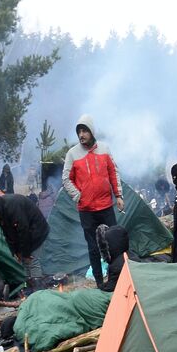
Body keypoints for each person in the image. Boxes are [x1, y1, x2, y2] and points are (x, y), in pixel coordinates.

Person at [62, 115, 124, 289]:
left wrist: (118, 196)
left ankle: (117, 277)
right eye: (79, 131)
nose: (81, 135)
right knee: (93, 248)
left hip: (105, 206)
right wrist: (78, 196)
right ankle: (99, 282)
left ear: (92, 131)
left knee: (114, 242)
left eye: (84, 130)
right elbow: (66, 179)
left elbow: (114, 172)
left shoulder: (104, 149)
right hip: (87, 209)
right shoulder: (72, 153)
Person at [0, 190, 49, 279]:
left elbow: (23, 230)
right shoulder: (0, 213)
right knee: (24, 262)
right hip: (25, 234)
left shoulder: (13, 206)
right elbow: (8, 234)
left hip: (36, 231)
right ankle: (30, 283)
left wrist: (26, 254)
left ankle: (38, 287)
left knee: (32, 260)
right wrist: (15, 251)